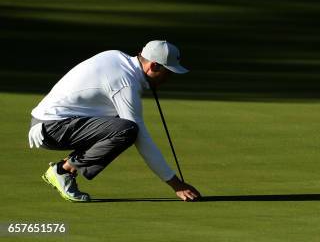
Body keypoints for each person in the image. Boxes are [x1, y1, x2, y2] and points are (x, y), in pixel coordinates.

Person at [28, 40, 201, 202]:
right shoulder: (125, 83)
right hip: (52, 127)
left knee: (121, 123)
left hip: (52, 122)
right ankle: (64, 171)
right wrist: (176, 184)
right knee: (127, 130)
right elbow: (141, 138)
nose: (168, 78)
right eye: (168, 72)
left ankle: (65, 167)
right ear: (153, 65)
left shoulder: (116, 56)